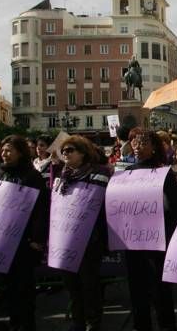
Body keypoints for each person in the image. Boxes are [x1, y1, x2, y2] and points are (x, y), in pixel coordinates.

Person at [123, 129, 177, 331]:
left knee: (160, 290)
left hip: (157, 242)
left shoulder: (164, 173)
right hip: (132, 242)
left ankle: (167, 326)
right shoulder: (126, 172)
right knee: (137, 289)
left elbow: (175, 208)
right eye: (134, 143)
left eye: (142, 143)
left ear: (154, 147)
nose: (137, 147)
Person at [0, 135, 49, 331]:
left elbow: (41, 209)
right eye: (3, 150)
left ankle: (26, 324)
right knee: (8, 286)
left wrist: (37, 239)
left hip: (25, 242)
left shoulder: (32, 177)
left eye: (8, 150)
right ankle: (14, 322)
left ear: (20, 152)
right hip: (2, 240)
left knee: (24, 286)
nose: (4, 154)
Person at [53, 136, 111, 331]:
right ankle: (78, 321)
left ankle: (92, 322)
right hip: (65, 239)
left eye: (70, 150)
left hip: (89, 239)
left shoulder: (99, 173)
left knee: (89, 283)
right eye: (64, 151)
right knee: (72, 284)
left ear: (83, 153)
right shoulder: (62, 176)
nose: (65, 154)